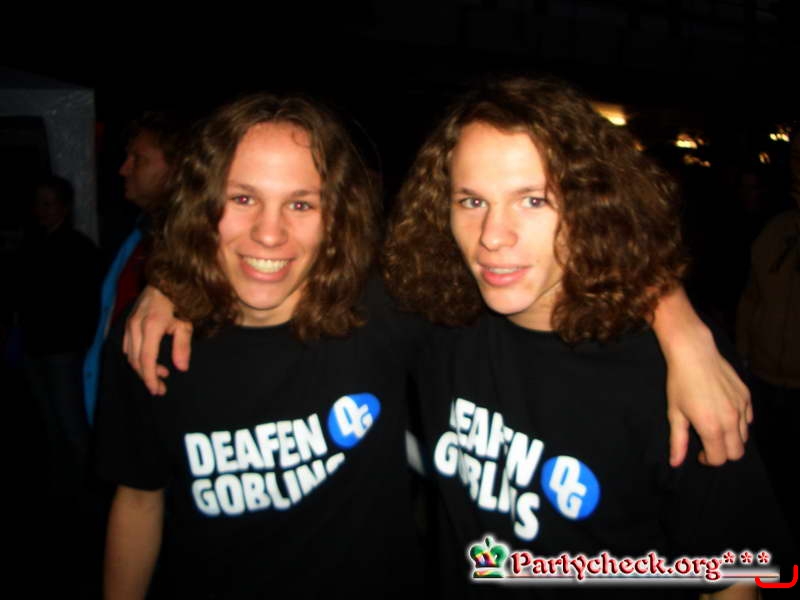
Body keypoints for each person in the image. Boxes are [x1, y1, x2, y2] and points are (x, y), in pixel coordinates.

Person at [384, 76, 792, 598]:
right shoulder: (437, 322)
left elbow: (733, 579)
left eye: (533, 200)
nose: (493, 236)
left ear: (590, 206)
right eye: (471, 201)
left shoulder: (668, 377)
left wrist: (683, 331)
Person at [95, 92, 420, 598]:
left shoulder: (384, 313)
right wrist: (166, 285)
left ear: (336, 216)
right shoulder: (151, 342)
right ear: (202, 204)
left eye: (301, 203)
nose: (270, 233)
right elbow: (138, 500)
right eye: (242, 198)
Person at [83, 111, 183, 424]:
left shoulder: (185, 245)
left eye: (138, 159)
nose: (123, 169)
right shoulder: (139, 232)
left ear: (175, 168)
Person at [736, 130, 800, 552]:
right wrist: (742, 357)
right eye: (794, 160)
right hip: (762, 379)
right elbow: (751, 297)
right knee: (767, 482)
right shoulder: (777, 230)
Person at [17, 175, 101, 489]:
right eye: (38, 203)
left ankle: (86, 488)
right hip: (35, 345)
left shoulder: (78, 247)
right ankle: (62, 485)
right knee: (49, 422)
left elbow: (87, 302)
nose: (41, 210)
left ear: (64, 207)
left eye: (48, 203)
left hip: (63, 349)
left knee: (70, 421)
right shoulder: (32, 243)